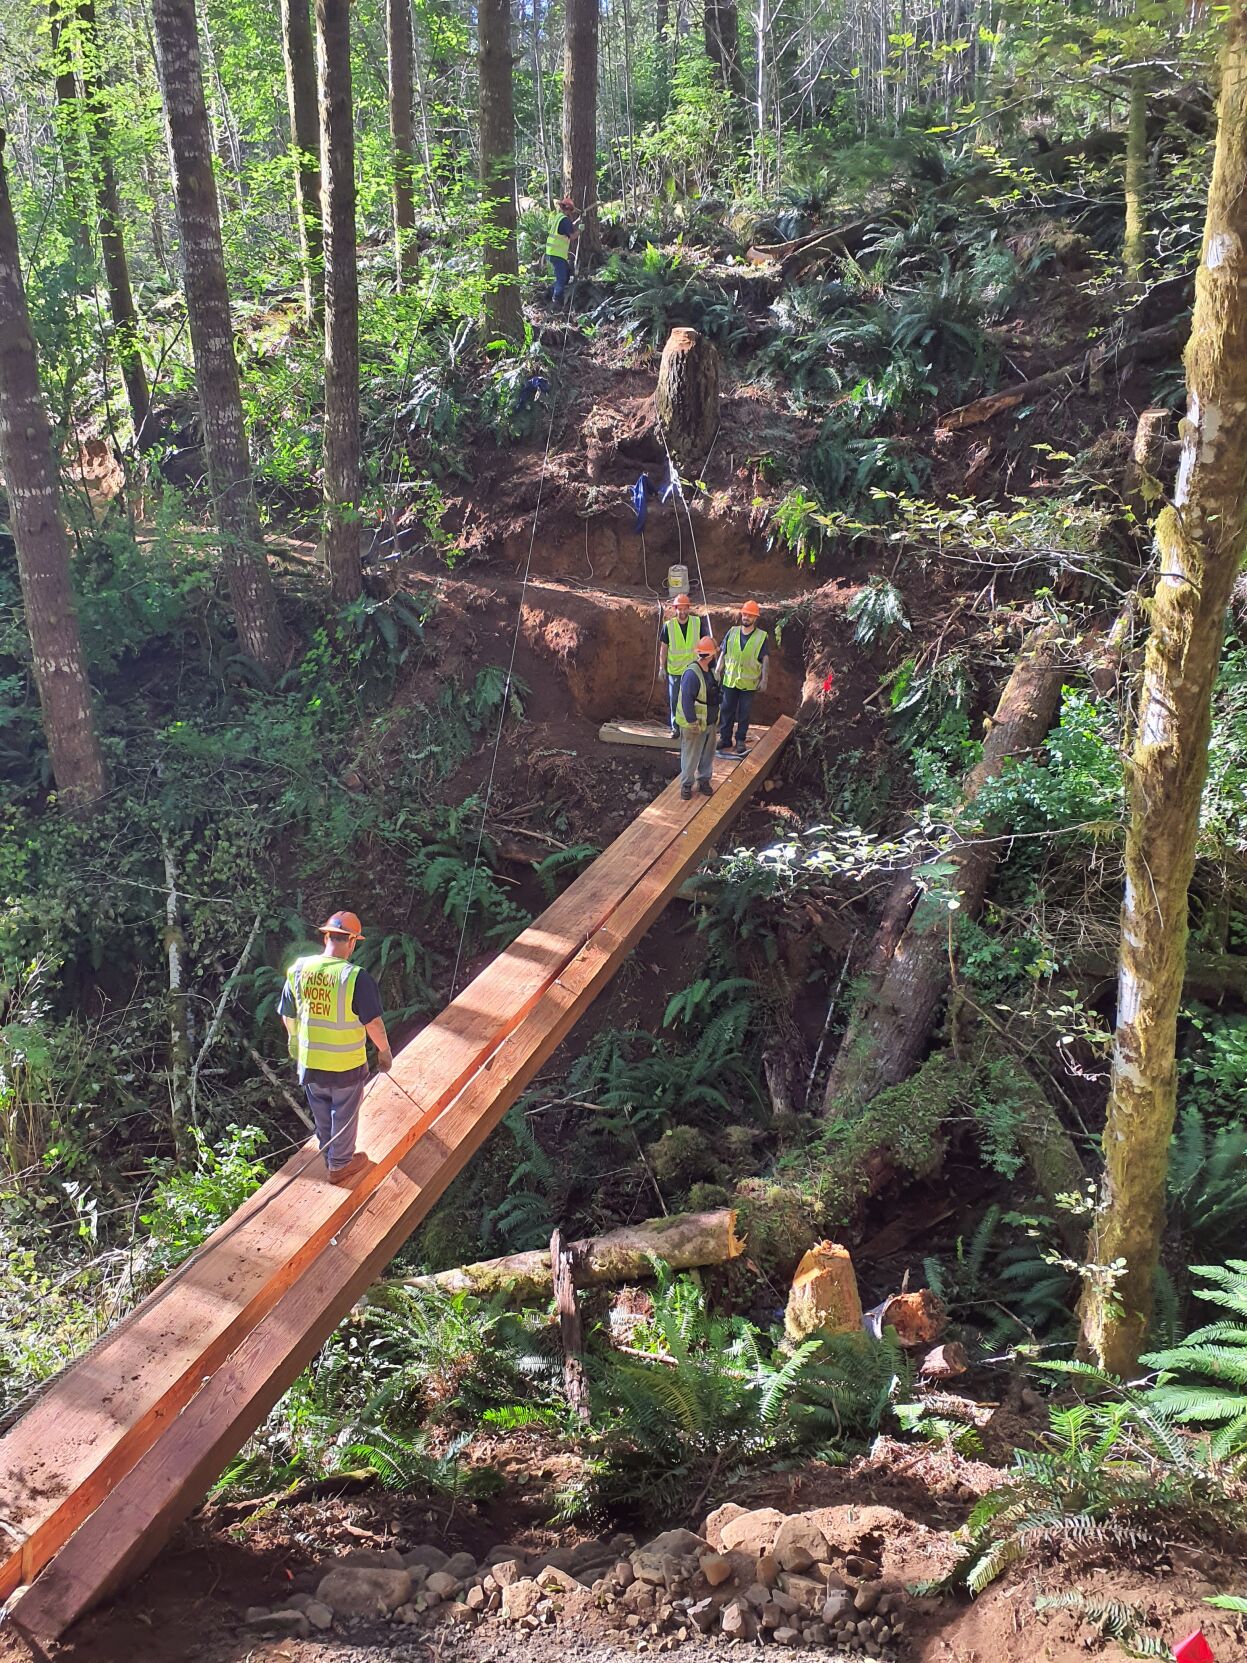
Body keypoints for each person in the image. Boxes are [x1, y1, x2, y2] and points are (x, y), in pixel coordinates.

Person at [278, 910, 393, 1186]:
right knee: (343, 1113)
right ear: (352, 941)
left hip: (310, 1062)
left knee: (321, 1112)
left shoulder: (298, 969)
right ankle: (340, 1165)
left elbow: (288, 1014)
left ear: (327, 935)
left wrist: (294, 1040)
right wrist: (385, 1051)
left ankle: (331, 1154)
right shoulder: (354, 977)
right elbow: (373, 1023)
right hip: (345, 1064)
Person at [716, 600, 769, 757]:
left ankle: (740, 740)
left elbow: (765, 659)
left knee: (744, 713)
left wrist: (764, 679)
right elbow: (723, 653)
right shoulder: (732, 632)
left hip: (748, 683)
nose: (746, 617)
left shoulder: (761, 637)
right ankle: (725, 738)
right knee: (726, 710)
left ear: (755, 618)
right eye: (745, 614)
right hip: (730, 681)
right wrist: (718, 670)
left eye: (750, 615)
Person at [657, 593, 710, 736]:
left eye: (684, 608)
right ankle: (676, 727)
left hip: (693, 671)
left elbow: (706, 643)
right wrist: (662, 667)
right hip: (675, 671)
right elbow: (664, 648)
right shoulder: (669, 626)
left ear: (688, 608)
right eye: (679, 609)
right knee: (675, 700)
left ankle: (691, 725)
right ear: (675, 609)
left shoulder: (697, 623)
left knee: (693, 699)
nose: (682, 612)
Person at [675, 637, 720, 799]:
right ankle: (686, 785)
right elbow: (687, 699)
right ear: (710, 655)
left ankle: (704, 780)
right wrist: (692, 721)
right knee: (691, 755)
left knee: (707, 754)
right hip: (695, 724)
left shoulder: (712, 672)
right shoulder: (692, 674)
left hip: (710, 723)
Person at [546, 196, 578, 304]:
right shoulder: (564, 220)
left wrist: (578, 221)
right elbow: (572, 236)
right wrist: (581, 231)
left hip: (553, 252)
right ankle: (556, 300)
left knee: (567, 274)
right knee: (562, 278)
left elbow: (568, 227)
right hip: (557, 254)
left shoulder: (559, 218)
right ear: (568, 209)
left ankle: (551, 292)